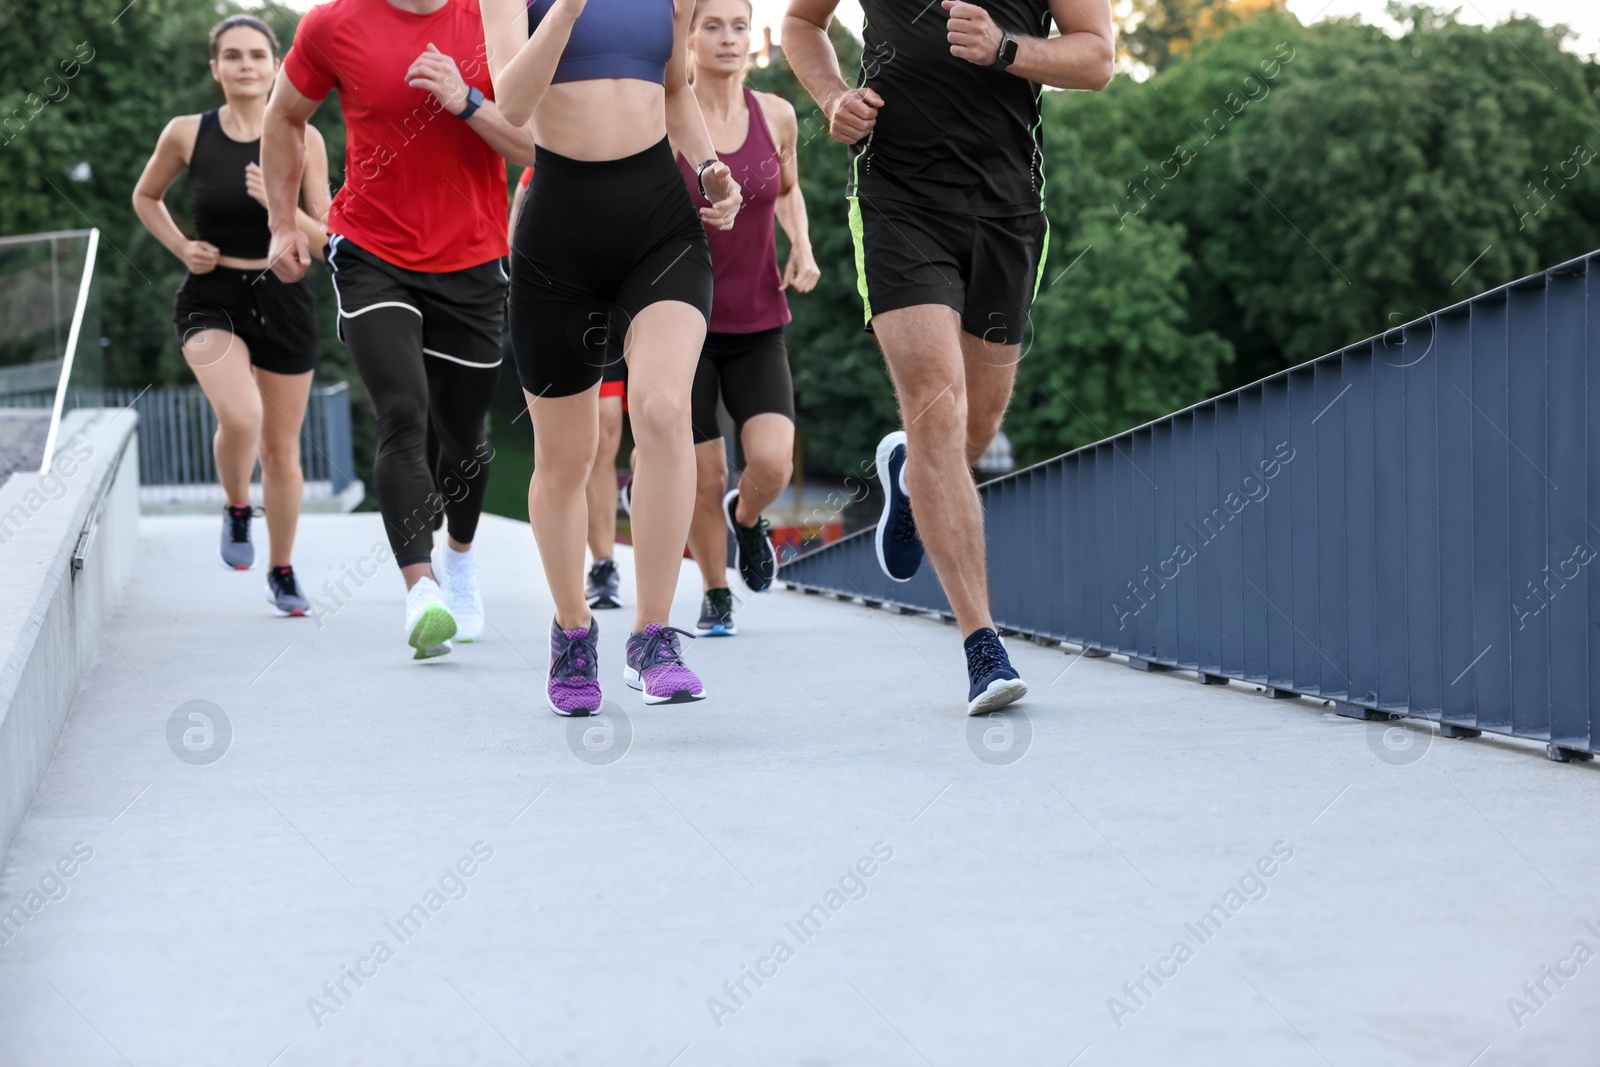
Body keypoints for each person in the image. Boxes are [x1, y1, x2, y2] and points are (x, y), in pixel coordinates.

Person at [783, 0, 1113, 713]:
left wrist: (1005, 50)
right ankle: (982, 645)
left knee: (975, 427)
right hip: (897, 198)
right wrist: (834, 96)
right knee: (938, 404)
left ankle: (910, 477)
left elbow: (1097, 58)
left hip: (1007, 206)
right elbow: (801, 23)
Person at [481, 0, 742, 714]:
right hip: (557, 235)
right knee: (565, 456)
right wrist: (564, 11)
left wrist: (712, 167)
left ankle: (653, 633)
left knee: (662, 410)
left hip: (660, 224)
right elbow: (510, 103)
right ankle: (572, 631)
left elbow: (677, 90)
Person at [262, 0, 536, 659]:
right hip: (371, 251)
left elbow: (539, 146)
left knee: (464, 439)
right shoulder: (334, 23)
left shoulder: (500, 18)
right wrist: (280, 220)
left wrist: (466, 98)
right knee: (403, 413)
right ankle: (421, 591)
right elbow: (284, 117)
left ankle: (461, 566)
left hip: (473, 258)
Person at [132, 15, 329, 617]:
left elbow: (329, 239)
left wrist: (282, 207)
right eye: (232, 56)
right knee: (240, 416)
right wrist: (180, 247)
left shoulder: (306, 139)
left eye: (257, 56)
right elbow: (145, 196)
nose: (246, 65)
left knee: (281, 447)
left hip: (285, 296)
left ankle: (282, 570)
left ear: (276, 67)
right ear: (214, 68)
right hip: (210, 294)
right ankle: (238, 506)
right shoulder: (187, 133)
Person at [676, 0, 818, 637]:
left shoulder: (778, 116)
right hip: (681, 323)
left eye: (739, 26)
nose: (728, 39)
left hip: (758, 316)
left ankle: (748, 518)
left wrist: (803, 247)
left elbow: (787, 191)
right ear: (690, 33)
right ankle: (714, 592)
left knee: (772, 464)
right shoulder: (665, 114)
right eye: (713, 26)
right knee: (703, 472)